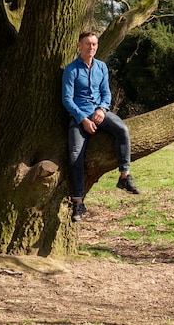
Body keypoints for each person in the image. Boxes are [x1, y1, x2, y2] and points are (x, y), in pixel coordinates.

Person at [61, 30, 139, 222]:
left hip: (99, 113)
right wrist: (83, 119)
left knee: (122, 130)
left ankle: (124, 177)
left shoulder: (101, 67)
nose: (91, 47)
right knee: (75, 154)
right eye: (87, 44)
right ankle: (78, 203)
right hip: (79, 116)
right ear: (79, 46)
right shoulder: (71, 70)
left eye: (94, 44)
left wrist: (103, 110)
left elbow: (106, 94)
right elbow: (66, 99)